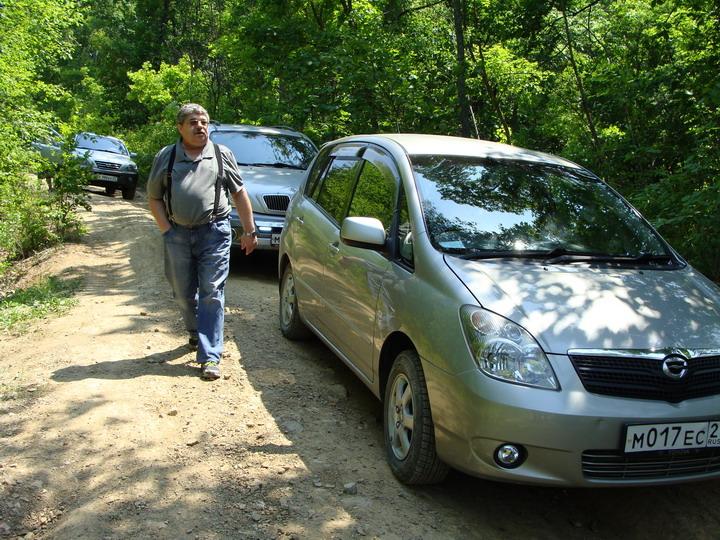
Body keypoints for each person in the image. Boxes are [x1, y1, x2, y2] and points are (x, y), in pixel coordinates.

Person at [147, 103, 257, 380]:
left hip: (214, 232)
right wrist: (167, 231)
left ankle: (210, 356)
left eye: (204, 122)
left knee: (211, 291)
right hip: (177, 234)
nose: (200, 127)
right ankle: (196, 331)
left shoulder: (221, 155)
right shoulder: (167, 156)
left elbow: (240, 194)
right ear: (180, 127)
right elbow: (154, 197)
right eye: (194, 122)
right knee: (183, 293)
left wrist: (249, 231)